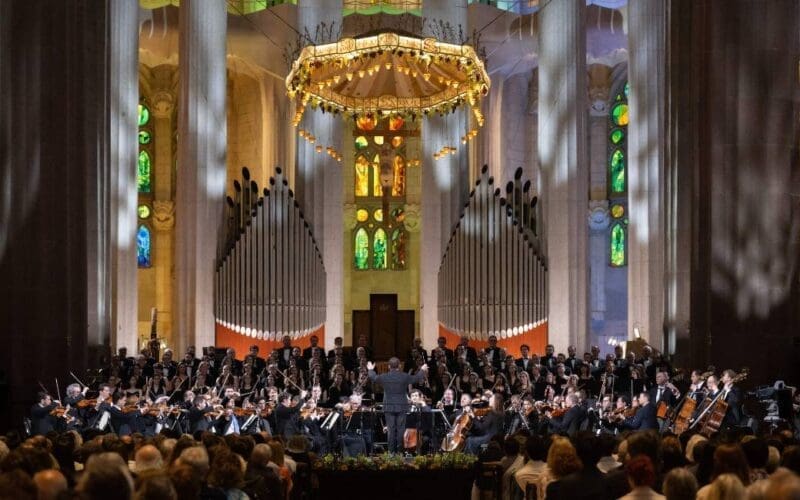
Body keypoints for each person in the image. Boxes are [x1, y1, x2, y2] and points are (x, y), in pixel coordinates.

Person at [367, 357, 427, 453]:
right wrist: (422, 370)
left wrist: (370, 369)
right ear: (399, 366)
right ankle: (400, 453)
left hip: (389, 407)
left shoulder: (384, 376)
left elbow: (373, 377)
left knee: (390, 431)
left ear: (389, 366)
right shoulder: (404, 376)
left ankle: (391, 454)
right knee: (401, 431)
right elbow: (416, 378)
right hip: (402, 406)